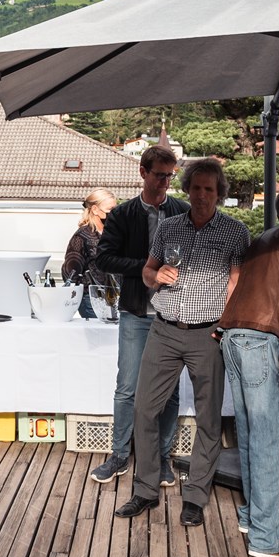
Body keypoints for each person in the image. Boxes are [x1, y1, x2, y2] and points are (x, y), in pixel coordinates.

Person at [118, 158, 249, 527]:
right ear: (187, 190)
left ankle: (195, 496)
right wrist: (155, 274)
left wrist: (224, 327)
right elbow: (146, 272)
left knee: (208, 419)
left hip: (208, 334)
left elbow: (236, 286)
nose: (203, 195)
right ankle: (145, 490)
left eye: (210, 189)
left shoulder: (236, 232)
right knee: (144, 409)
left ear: (219, 193)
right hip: (164, 329)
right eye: (196, 187)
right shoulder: (169, 228)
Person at [216, 183, 279, 557]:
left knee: (250, 432)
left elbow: (238, 282)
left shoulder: (263, 237)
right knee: (272, 437)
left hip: (233, 334)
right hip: (261, 338)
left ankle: (254, 516)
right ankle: (269, 537)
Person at [91, 144, 188, 486]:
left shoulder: (183, 212)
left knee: (171, 391)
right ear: (143, 173)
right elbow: (103, 259)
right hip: (136, 312)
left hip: (174, 316)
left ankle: (161, 459)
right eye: (159, 175)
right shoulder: (122, 215)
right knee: (127, 387)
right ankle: (119, 454)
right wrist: (149, 269)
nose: (165, 182)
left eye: (169, 176)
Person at [61, 188, 118, 318]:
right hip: (91, 300)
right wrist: (91, 286)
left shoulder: (114, 234)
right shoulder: (82, 237)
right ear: (95, 210)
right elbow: (70, 273)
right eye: (110, 211)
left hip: (114, 298)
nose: (114, 214)